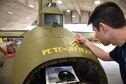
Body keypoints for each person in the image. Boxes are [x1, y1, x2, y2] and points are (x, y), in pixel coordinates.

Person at [75, 2, 126, 84]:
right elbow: (104, 55)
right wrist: (86, 42)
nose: (96, 36)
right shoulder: (121, 48)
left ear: (103, 28)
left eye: (95, 31)